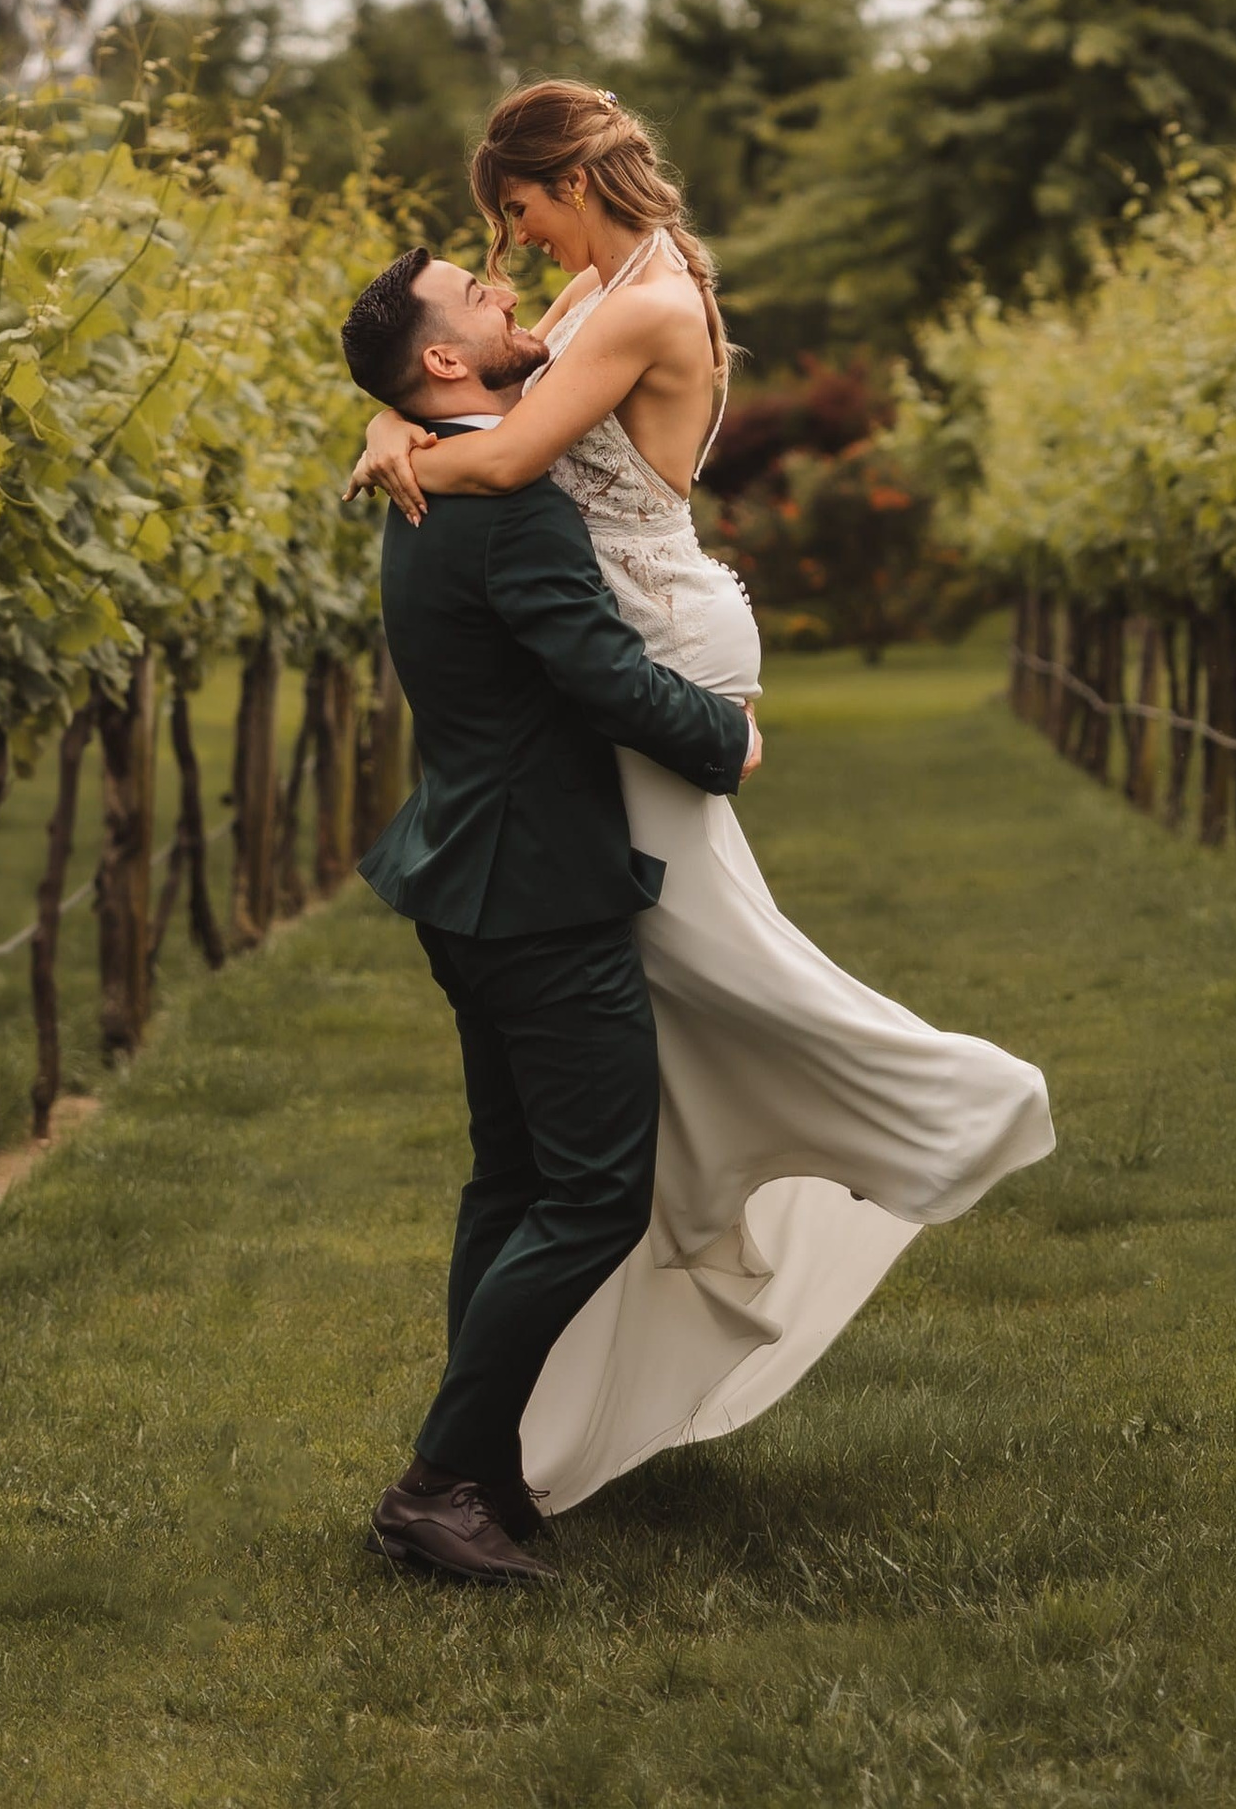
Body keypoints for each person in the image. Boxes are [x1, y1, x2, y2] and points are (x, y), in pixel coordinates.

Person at [347, 80, 1053, 1527]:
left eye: (522, 216)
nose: (517, 255)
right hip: (613, 673)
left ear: (573, 184)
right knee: (659, 1030)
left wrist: (398, 441)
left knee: (713, 977)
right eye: (493, 249)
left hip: (653, 642)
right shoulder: (611, 281)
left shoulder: (640, 305)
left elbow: (510, 450)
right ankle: (492, 1432)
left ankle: (925, 1107)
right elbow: (481, 400)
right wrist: (392, 418)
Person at [342, 238, 758, 1585]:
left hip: (468, 873)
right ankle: (437, 1483)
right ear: (449, 359)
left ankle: (487, 1469)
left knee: (513, 1177)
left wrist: (387, 415)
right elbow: (595, 673)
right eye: (480, 291)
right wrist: (724, 738)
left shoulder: (430, 469)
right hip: (533, 888)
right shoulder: (503, 500)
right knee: (589, 1195)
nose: (510, 289)